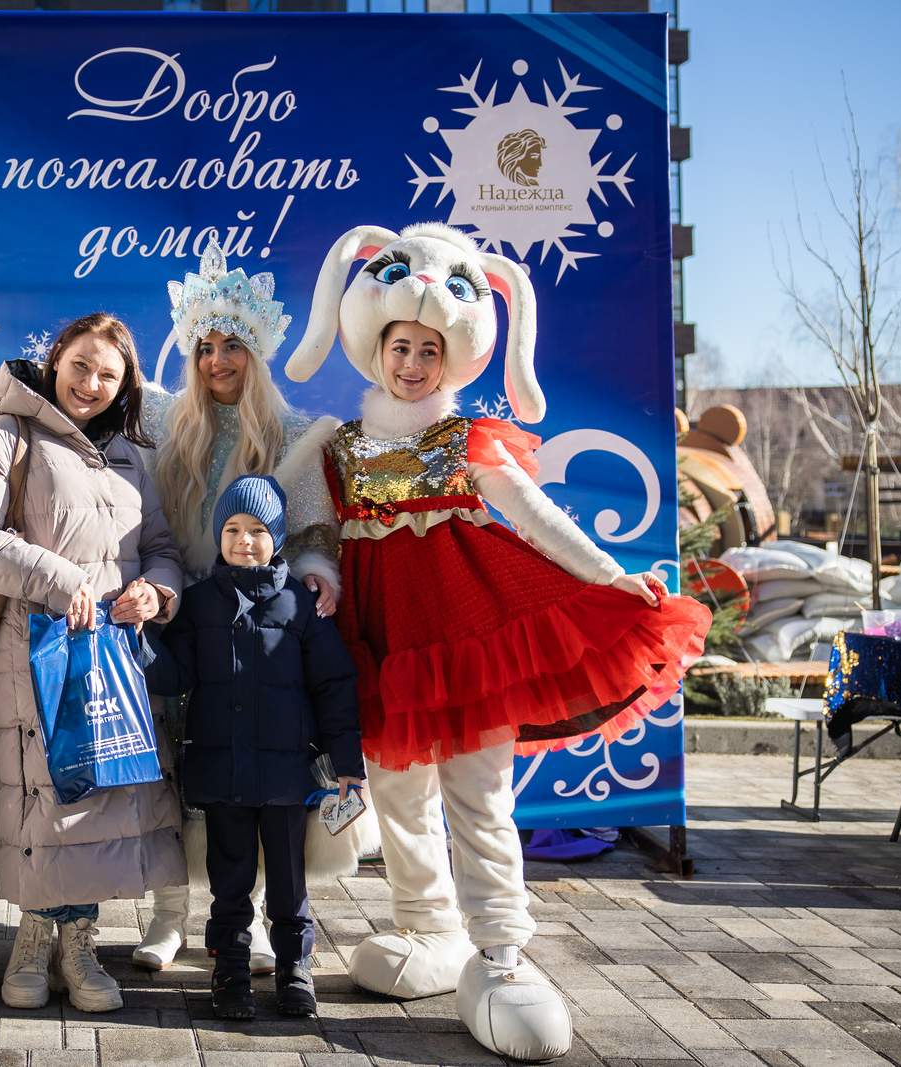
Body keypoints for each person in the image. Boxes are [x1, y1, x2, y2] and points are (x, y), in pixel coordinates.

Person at [284, 222, 711, 1061]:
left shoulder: (467, 438)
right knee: (399, 796)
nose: (412, 362)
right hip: (383, 646)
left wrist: (609, 576)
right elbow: (314, 531)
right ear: (376, 346)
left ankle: (503, 948)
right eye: (401, 346)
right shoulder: (337, 447)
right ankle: (427, 925)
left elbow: (536, 517)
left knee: (479, 797)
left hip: (467, 639)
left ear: (453, 357)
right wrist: (319, 570)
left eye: (429, 350)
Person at [134, 245, 377, 974]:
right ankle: (168, 915)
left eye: (233, 345)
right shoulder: (164, 424)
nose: (218, 360)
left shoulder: (292, 435)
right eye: (205, 347)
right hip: (183, 621)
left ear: (256, 354)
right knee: (171, 772)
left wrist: (315, 574)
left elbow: (312, 532)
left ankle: (264, 920)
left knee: (263, 782)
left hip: (260, 634)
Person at [0, 313, 187, 1014]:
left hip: (114, 653)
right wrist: (58, 577)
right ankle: (32, 938)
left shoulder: (131, 455)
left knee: (99, 794)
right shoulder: (6, 434)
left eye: (108, 374)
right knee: (49, 797)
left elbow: (162, 548)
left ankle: (79, 943)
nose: (91, 383)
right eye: (81, 365)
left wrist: (157, 591)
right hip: (37, 646)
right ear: (55, 360)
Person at [143, 475, 363, 1021]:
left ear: (278, 536)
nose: (244, 540)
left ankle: (295, 969)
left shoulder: (301, 605)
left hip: (286, 777)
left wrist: (346, 763)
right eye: (233, 529)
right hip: (222, 772)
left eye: (258, 530)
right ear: (219, 535)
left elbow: (333, 685)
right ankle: (231, 973)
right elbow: (174, 677)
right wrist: (139, 639)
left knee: (289, 883)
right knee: (230, 881)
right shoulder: (199, 603)